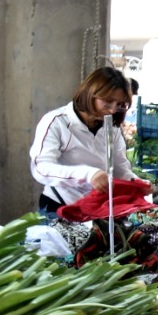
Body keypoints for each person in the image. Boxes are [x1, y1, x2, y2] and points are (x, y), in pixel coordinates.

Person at [29, 67, 136, 211]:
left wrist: (137, 184)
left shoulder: (112, 128)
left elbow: (120, 169)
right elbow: (41, 168)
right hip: (61, 206)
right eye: (108, 102)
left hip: (99, 208)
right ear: (91, 94)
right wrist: (88, 174)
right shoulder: (56, 122)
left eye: (118, 105)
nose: (112, 110)